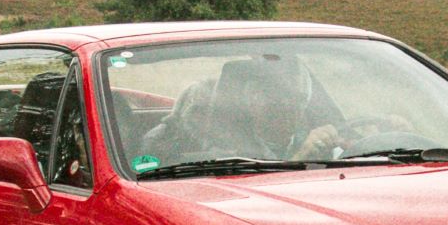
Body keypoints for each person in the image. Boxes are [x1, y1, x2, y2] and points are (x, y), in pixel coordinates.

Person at [142, 55, 344, 162]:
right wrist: (302, 155)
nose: (289, 109)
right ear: (250, 102)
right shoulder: (220, 150)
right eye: (276, 102)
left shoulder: (312, 138)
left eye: (297, 100)